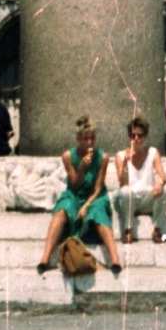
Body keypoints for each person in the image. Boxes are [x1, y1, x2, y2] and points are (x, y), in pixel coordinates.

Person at [36, 116, 122, 275]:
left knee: (99, 212)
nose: (89, 142)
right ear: (78, 139)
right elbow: (74, 184)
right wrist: (81, 168)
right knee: (62, 210)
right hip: (74, 194)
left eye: (91, 138)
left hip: (94, 197)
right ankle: (45, 257)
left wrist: (86, 205)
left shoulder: (102, 157)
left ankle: (115, 259)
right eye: (84, 139)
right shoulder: (68, 156)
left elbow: (98, 188)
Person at [113, 118, 166, 243]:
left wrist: (159, 183)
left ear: (145, 136)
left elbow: (163, 176)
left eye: (140, 135)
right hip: (129, 201)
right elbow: (122, 183)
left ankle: (157, 229)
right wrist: (124, 163)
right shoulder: (120, 156)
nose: (137, 139)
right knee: (124, 191)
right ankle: (127, 230)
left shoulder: (152, 152)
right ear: (129, 137)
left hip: (146, 199)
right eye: (133, 135)